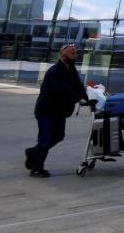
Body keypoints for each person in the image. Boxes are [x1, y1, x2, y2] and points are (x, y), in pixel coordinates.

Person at [25, 44, 86, 177]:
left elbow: (78, 85)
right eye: (73, 54)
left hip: (59, 111)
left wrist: (87, 98)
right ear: (64, 57)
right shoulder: (54, 71)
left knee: (58, 136)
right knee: (45, 139)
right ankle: (36, 168)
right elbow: (62, 90)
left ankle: (32, 153)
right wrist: (78, 98)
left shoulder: (71, 69)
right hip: (46, 111)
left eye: (75, 53)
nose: (76, 56)